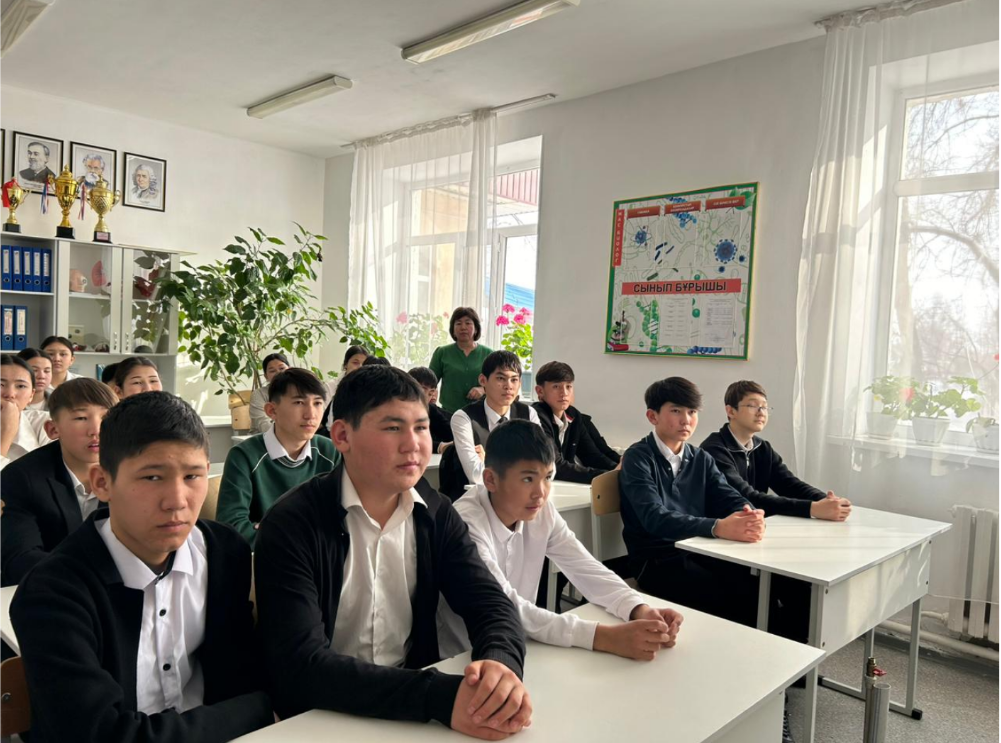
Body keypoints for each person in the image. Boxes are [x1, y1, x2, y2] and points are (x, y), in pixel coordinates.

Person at [254, 365, 531, 738]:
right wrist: (439, 697)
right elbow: (301, 666)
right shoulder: (292, 523)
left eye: (421, 427)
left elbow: (491, 604)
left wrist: (500, 667)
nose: (413, 444)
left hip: (407, 713)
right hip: (317, 717)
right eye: (392, 428)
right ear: (342, 435)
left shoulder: (436, 513)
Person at [9, 392, 275, 742]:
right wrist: (261, 709)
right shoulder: (52, 591)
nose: (177, 501)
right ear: (102, 483)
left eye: (193, 476)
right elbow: (102, 735)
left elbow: (240, 672)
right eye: (152, 477)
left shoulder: (223, 553)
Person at [439, 420, 683, 661]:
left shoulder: (540, 510)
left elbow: (584, 567)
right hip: (464, 655)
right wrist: (605, 637)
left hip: (524, 645)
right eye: (528, 479)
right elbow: (505, 605)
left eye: (547, 477)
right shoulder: (465, 523)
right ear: (491, 480)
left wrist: (638, 609)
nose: (541, 493)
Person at [619, 377, 765, 627]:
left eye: (692, 412)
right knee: (732, 594)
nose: (686, 420)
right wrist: (717, 527)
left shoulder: (700, 458)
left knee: (759, 584)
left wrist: (749, 514)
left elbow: (727, 495)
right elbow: (654, 518)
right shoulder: (638, 458)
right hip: (655, 560)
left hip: (698, 550)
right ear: (652, 416)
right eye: (676, 411)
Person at [1, 378, 117, 586]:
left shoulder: (134, 473)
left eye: (106, 417)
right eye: (81, 418)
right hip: (46, 591)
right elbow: (20, 559)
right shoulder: (21, 477)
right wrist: (92, 574)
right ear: (53, 429)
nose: (96, 430)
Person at [217, 368, 339, 545]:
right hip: (263, 558)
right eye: (299, 402)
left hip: (317, 557)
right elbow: (231, 526)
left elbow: (342, 517)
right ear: (272, 411)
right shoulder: (244, 456)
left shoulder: (330, 451)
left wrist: (272, 532)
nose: (311, 414)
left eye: (318, 403)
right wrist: (298, 541)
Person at [700, 380, 852, 522]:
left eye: (765, 407)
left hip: (753, 525)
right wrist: (812, 508)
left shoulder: (762, 448)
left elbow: (789, 484)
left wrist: (826, 500)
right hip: (722, 529)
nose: (761, 412)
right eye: (752, 406)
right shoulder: (713, 449)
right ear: (731, 411)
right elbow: (747, 496)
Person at [444, 351, 541, 500]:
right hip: (476, 500)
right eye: (501, 378)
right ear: (483, 380)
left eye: (514, 380)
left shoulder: (528, 414)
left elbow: (542, 465)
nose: (508, 386)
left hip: (520, 498)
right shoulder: (463, 418)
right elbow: (476, 475)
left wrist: (489, 460)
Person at [531, 360, 621, 483]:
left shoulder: (573, 415)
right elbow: (555, 466)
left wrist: (621, 471)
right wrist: (609, 476)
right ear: (540, 391)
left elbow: (591, 455)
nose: (564, 393)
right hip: (543, 483)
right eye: (556, 387)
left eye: (568, 386)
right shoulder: (536, 418)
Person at [430, 308, 494, 414]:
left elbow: (496, 383)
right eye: (458, 324)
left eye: (468, 323)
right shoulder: (442, 352)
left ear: (476, 329)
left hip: (480, 414)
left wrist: (483, 390)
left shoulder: (489, 354)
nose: (463, 327)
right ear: (453, 330)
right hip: (448, 413)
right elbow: (429, 382)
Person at [1, 354, 51, 470]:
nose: (10, 394)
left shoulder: (44, 423)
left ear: (31, 395)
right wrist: (6, 433)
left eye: (21, 386)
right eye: (1, 384)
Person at [409, 365, 453, 454]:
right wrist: (440, 446)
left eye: (430, 393)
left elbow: (450, 433)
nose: (426, 397)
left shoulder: (431, 410)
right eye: (422, 390)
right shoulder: (397, 411)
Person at [249, 352, 289, 434]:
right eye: (272, 371)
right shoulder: (259, 394)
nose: (278, 373)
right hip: (263, 437)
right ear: (266, 376)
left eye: (282, 368)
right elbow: (263, 424)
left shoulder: (300, 391)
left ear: (290, 370)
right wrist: (290, 433)